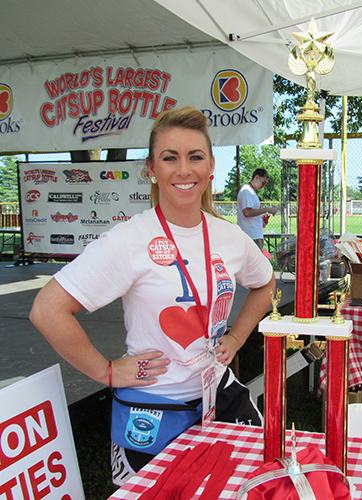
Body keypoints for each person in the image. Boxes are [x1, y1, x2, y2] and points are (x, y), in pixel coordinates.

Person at [29, 106, 275, 485]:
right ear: (151, 169)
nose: (183, 170)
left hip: (218, 397)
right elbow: (48, 310)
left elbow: (265, 283)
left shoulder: (229, 236)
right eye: (169, 158)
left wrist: (238, 336)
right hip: (151, 411)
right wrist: (106, 371)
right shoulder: (128, 240)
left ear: (211, 167)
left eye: (195, 157)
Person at [236, 168, 278, 249]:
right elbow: (247, 212)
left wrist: (262, 220)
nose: (263, 185)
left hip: (254, 235)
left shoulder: (251, 191)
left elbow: (252, 212)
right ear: (257, 177)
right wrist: (267, 209)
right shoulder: (246, 191)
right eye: (263, 182)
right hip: (251, 235)